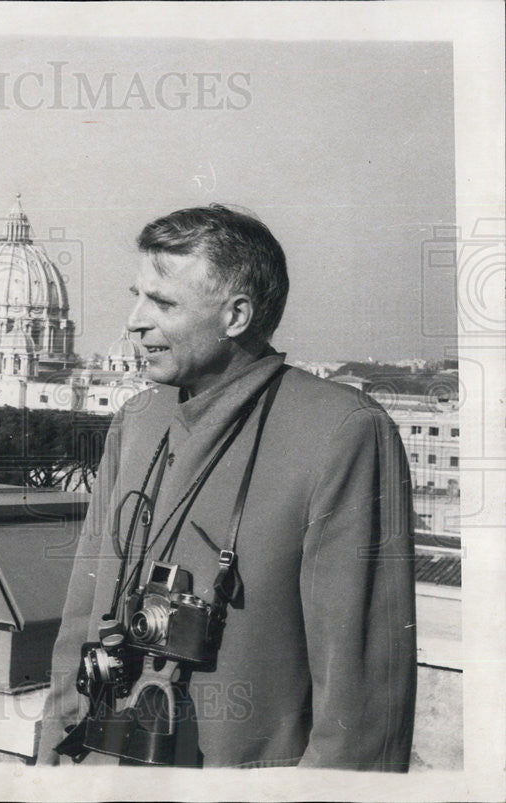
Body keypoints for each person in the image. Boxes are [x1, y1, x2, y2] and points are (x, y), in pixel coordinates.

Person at [37, 205, 416, 770]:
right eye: (137, 295)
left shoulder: (343, 432)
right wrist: (52, 757)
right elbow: (81, 617)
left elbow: (361, 703)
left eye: (162, 303)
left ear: (236, 315)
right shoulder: (138, 420)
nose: (134, 322)